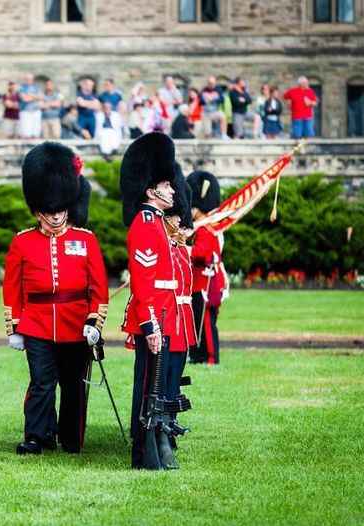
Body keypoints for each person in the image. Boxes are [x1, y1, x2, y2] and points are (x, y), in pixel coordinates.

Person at [3, 142, 109, 455]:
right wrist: (15, 327)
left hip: (76, 322)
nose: (56, 216)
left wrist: (95, 321)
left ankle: (71, 437)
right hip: (36, 323)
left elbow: (98, 288)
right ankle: (37, 436)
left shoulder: (85, 240)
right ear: (37, 211)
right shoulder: (22, 242)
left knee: (74, 385)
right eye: (50, 212)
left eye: (60, 210)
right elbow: (12, 287)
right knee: (41, 383)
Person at [119, 132, 179, 470]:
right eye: (166, 185)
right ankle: (142, 455)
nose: (172, 190)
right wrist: (150, 324)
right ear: (150, 190)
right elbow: (144, 283)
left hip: (165, 316)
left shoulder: (156, 223)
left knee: (154, 387)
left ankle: (154, 451)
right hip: (153, 319)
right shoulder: (145, 224)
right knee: (147, 388)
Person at [162, 163, 196, 464]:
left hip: (182, 320)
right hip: (167, 319)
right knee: (166, 377)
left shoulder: (181, 249)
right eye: (175, 218)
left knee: (176, 376)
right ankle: (163, 427)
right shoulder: (165, 247)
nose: (180, 224)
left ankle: (170, 423)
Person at [186, 170, 224, 365]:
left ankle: (210, 357)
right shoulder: (201, 227)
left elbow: (201, 253)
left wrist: (183, 249)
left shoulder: (206, 229)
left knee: (206, 324)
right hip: (198, 283)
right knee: (197, 322)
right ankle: (198, 355)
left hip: (206, 284)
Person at [18, 73, 43, 139]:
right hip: (25, 111)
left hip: (35, 111)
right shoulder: (22, 87)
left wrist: (30, 95)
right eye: (27, 79)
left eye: (30, 79)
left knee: (36, 132)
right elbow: (24, 99)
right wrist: (35, 97)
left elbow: (41, 97)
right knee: (26, 132)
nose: (29, 80)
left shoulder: (37, 87)